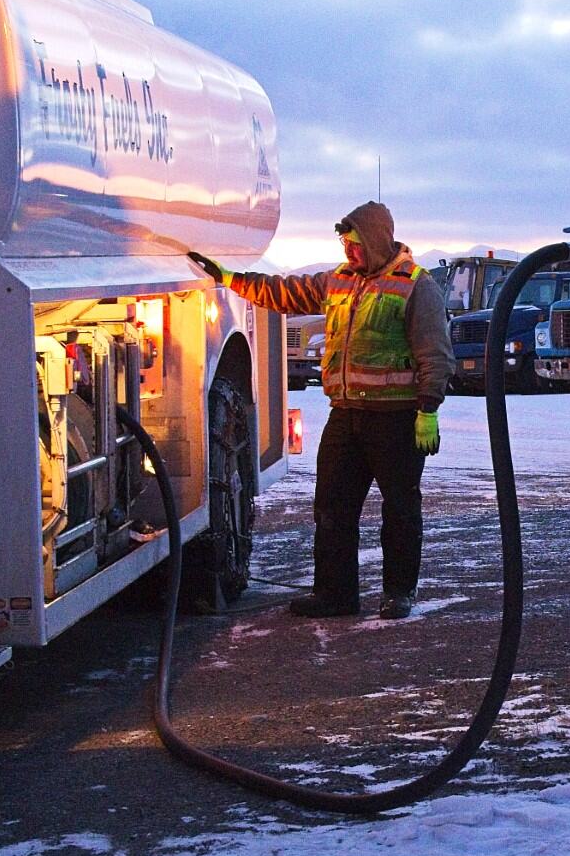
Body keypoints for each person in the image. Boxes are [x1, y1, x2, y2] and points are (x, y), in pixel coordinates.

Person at [188, 202, 452, 619]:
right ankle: (335, 594)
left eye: (356, 245)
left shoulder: (416, 286)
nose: (349, 253)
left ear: (376, 241)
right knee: (331, 508)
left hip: (396, 419)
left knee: (400, 509)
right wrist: (229, 279)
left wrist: (428, 410)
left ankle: (398, 593)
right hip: (345, 416)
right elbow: (284, 292)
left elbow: (434, 353)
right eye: (346, 245)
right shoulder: (338, 281)